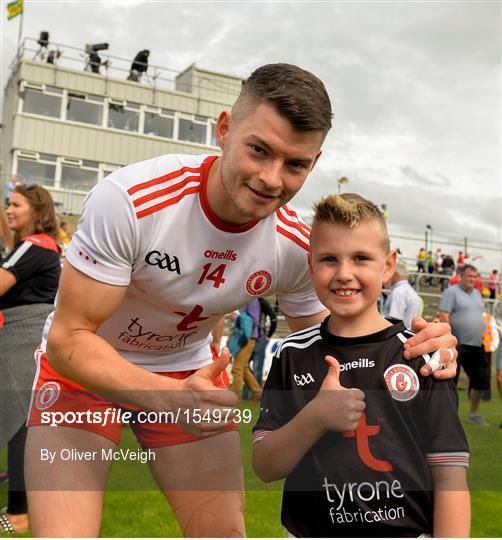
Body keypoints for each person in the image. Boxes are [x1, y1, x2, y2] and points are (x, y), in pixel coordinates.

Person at [24, 63, 457, 538]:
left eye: (294, 164)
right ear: (224, 129)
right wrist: (169, 399)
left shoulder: (296, 246)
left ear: (313, 164)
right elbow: (69, 339)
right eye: (259, 150)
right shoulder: (131, 200)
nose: (272, 179)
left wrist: (420, 349)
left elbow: (338, 349)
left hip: (189, 374)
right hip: (84, 373)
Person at [252, 193, 469, 538]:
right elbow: (264, 466)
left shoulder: (421, 354)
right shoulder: (291, 355)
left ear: (388, 266)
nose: (344, 273)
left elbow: (450, 474)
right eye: (328, 259)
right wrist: (316, 416)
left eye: (361, 258)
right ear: (310, 267)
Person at [0, 184, 61, 534]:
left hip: (21, 339)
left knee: (19, 424)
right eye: (8, 204)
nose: (10, 210)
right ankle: (20, 511)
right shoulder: (27, 247)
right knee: (20, 425)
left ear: (37, 212)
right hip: (21, 339)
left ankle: (20, 513)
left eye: (17, 204)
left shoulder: (35, 245)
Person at [439, 264, 489, 426]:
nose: (472, 279)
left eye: (475, 277)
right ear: (461, 276)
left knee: (481, 381)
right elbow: (444, 315)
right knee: (450, 382)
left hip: (476, 345)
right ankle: (448, 416)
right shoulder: (451, 292)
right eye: (469, 276)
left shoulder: (477, 294)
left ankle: (473, 414)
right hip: (458, 345)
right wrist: (452, 339)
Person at [230, 299, 263, 401]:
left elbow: (254, 320)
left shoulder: (252, 299)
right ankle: (258, 393)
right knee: (243, 367)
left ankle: (236, 398)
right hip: (246, 337)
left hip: (248, 338)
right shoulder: (246, 298)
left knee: (237, 368)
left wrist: (237, 318)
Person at [383, 260, 422, 328]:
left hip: (397, 334)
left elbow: (393, 320)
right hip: (408, 333)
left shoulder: (398, 292)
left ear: (395, 273)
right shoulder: (411, 292)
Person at [250, 297, 277, 386]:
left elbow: (273, 319)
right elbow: (273, 319)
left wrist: (268, 336)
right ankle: (252, 390)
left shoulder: (262, 302)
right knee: (244, 366)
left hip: (258, 339)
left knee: (257, 366)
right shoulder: (249, 301)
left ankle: (256, 392)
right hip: (250, 339)